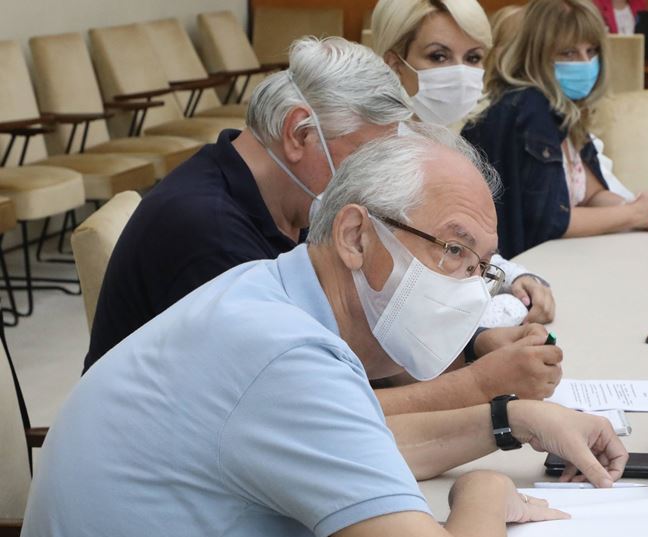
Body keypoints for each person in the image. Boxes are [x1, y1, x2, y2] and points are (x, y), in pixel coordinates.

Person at [0, 127, 628, 537]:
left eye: (480, 268)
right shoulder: (285, 356)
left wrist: (512, 421)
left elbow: (352, 446)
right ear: (355, 235)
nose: (469, 290)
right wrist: (486, 493)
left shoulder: (270, 292)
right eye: (454, 251)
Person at [84, 36, 562, 414]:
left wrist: (471, 347)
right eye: (366, 155)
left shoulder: (290, 201)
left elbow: (353, 340)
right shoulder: (207, 231)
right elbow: (310, 407)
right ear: (299, 133)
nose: (375, 177)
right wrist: (478, 386)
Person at [372, 0, 555, 326]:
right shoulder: (377, 154)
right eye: (438, 56)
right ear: (395, 64)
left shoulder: (446, 140)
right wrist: (501, 310)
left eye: (472, 58)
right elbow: (400, 290)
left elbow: (461, 246)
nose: (459, 72)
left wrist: (513, 277)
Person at [462, 0, 648, 257]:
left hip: (565, 257)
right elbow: (550, 220)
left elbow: (591, 194)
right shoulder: (529, 107)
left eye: (591, 51)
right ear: (536, 53)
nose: (584, 62)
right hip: (520, 266)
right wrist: (634, 214)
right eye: (568, 53)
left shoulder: (562, 107)